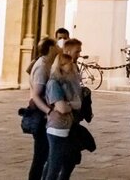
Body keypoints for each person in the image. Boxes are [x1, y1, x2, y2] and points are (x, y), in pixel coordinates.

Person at [43, 48, 83, 180]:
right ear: (60, 66)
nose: (71, 66)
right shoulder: (54, 83)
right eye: (68, 64)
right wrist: (70, 105)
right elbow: (62, 108)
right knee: (54, 165)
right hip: (57, 128)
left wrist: (69, 105)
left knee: (59, 162)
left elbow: (78, 103)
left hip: (66, 126)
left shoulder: (67, 82)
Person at [27, 38, 59, 180]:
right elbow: (36, 95)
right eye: (57, 45)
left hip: (45, 115)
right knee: (40, 156)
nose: (59, 47)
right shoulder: (42, 66)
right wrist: (49, 111)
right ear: (51, 48)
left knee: (45, 155)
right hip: (41, 116)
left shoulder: (47, 63)